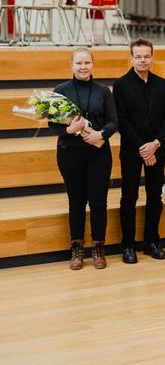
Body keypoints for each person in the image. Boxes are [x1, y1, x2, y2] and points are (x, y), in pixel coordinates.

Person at [50, 47, 118, 270]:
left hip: (98, 153)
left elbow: (113, 121)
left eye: (87, 63)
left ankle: (98, 247)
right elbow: (52, 123)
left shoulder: (103, 91)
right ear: (71, 65)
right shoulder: (60, 90)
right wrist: (69, 129)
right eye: (79, 63)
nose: (83, 67)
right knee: (76, 201)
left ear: (93, 65)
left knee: (98, 202)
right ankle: (77, 248)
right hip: (70, 152)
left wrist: (101, 134)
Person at [113, 38, 165, 264]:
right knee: (129, 197)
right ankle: (128, 245)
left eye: (146, 56)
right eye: (138, 56)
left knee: (155, 196)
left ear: (152, 57)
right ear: (131, 58)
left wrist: (156, 144)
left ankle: (151, 242)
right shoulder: (120, 85)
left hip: (156, 149)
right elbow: (121, 121)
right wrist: (143, 148)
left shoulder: (162, 84)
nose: (142, 60)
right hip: (132, 150)